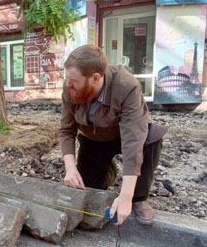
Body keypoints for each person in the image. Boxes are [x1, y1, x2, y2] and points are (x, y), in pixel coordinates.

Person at [60, 45, 166, 225]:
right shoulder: (70, 87)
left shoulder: (126, 86)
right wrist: (70, 168)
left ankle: (138, 197)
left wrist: (126, 196)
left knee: (152, 137)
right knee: (91, 190)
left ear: (95, 78)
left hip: (124, 136)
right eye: (68, 78)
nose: (68, 84)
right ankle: (108, 170)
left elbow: (133, 142)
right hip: (93, 139)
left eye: (74, 80)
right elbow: (67, 130)